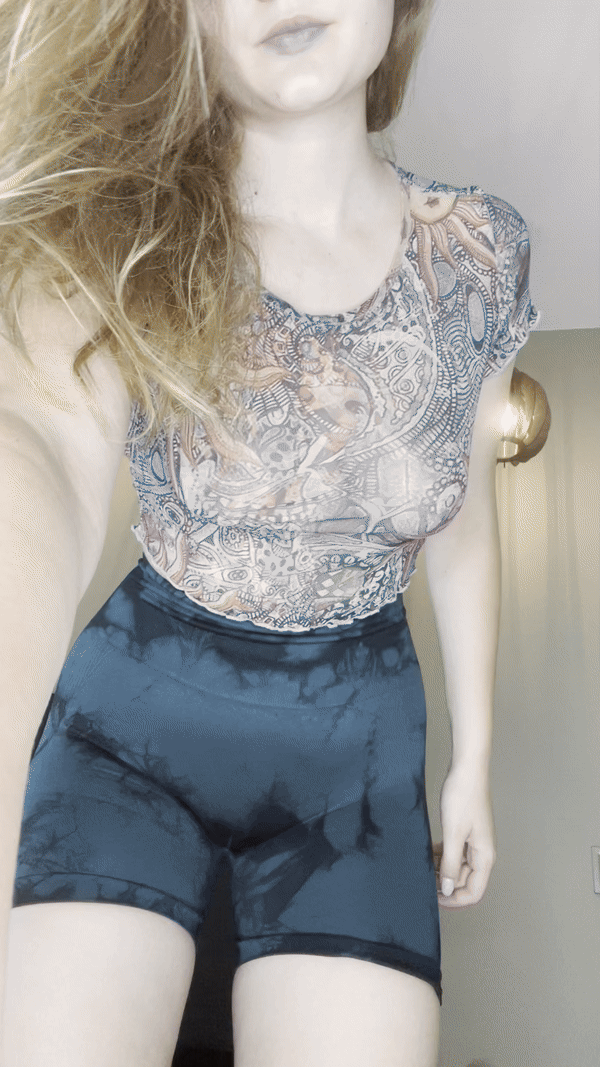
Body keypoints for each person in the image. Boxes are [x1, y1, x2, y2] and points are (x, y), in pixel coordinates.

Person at [0, 0, 541, 1064]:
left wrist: (472, 761)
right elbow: (42, 446)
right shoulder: (126, 233)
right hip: (129, 729)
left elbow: (463, 516)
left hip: (357, 757)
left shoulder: (482, 251)